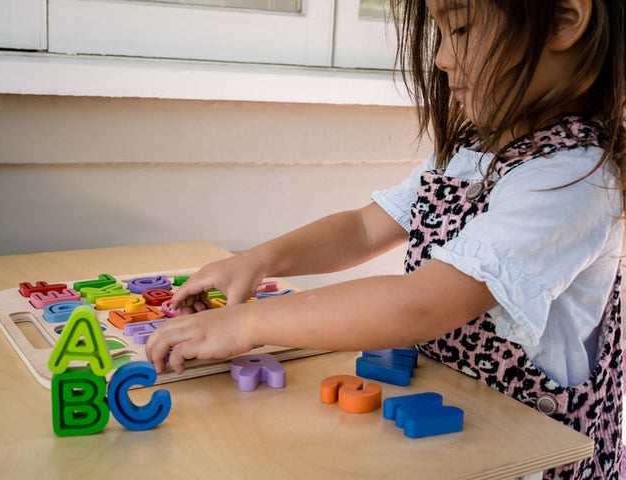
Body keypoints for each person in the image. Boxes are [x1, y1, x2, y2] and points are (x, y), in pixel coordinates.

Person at [146, 1, 626, 477]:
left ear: (563, 20)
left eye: (458, 29)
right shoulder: (475, 151)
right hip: (457, 425)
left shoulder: (572, 179)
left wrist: (244, 326)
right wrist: (258, 260)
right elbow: (362, 227)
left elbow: (420, 306)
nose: (440, 58)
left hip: (531, 455)